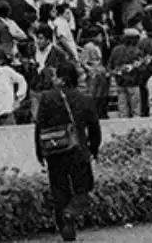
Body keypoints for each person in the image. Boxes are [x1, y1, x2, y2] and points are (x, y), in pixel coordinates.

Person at [35, 63, 103, 241]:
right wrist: (94, 148)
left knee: (59, 191)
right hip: (78, 150)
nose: (54, 79)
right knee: (84, 189)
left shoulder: (47, 98)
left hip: (54, 150)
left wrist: (40, 151)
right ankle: (71, 213)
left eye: (56, 75)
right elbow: (95, 128)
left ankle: (67, 232)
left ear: (62, 79)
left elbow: (39, 127)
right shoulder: (84, 99)